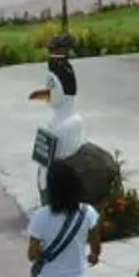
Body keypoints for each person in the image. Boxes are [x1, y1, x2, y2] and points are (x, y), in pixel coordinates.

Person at [28, 34, 86, 173]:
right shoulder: (73, 121)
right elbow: (56, 93)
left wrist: (46, 93)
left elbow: (56, 95)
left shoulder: (63, 127)